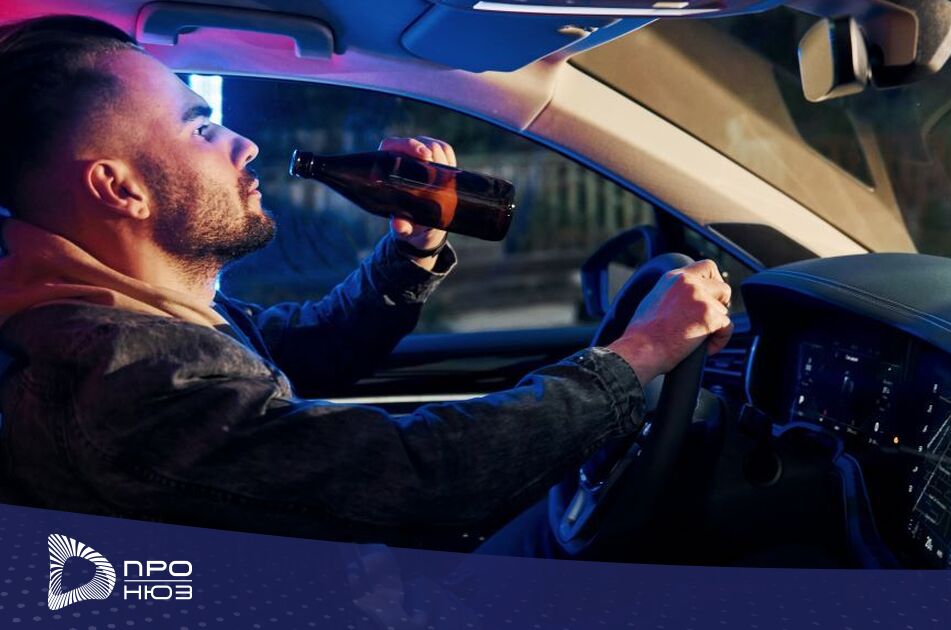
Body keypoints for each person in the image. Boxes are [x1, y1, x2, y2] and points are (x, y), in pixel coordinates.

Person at [0, 15, 733, 549]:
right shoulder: (123, 377)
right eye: (200, 128)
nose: (244, 145)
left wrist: (411, 250)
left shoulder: (132, 313)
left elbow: (307, 347)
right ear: (118, 188)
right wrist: (641, 353)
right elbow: (420, 476)